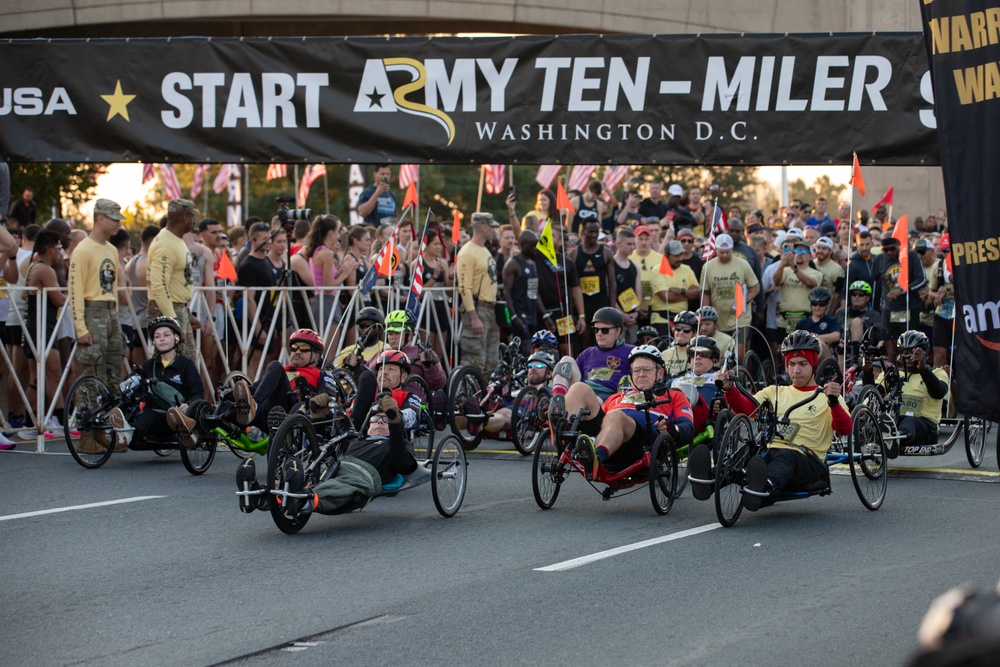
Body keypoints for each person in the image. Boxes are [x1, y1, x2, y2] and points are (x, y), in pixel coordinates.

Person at [689, 330, 851, 510]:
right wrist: (730, 390)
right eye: (792, 364)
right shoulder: (774, 392)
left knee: (786, 455)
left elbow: (845, 429)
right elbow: (747, 409)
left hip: (808, 461)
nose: (796, 370)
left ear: (814, 365)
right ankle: (711, 481)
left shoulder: (825, 396)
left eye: (803, 364)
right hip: (770, 453)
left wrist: (834, 403)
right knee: (749, 451)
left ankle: (764, 487)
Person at [235, 373, 420, 515]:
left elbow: (403, 463)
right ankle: (257, 495)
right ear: (368, 426)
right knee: (312, 473)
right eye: (376, 420)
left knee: (343, 486)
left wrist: (395, 424)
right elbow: (338, 428)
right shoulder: (356, 438)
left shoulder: (398, 443)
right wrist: (319, 412)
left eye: (384, 421)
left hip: (365, 475)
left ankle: (304, 500)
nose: (380, 422)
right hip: (337, 464)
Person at [168, 328, 340, 447]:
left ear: (316, 355)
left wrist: (312, 401)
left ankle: (252, 406)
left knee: (274, 366)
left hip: (291, 410)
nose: (297, 352)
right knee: (228, 406)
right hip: (263, 413)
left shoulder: (320, 373)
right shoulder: (283, 370)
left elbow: (329, 396)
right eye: (294, 347)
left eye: (304, 348)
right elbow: (256, 388)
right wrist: (228, 394)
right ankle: (195, 429)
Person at [557, 345, 694, 481]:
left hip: (642, 442)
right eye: (636, 370)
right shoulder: (616, 397)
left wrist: (673, 429)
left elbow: (688, 427)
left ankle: (595, 459)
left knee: (615, 416)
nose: (641, 374)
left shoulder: (674, 395)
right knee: (579, 388)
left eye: (647, 369)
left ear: (660, 373)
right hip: (609, 438)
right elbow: (603, 424)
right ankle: (562, 434)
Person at [107, 317, 202, 452]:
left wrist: (189, 404)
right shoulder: (148, 365)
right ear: (154, 342)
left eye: (166, 335)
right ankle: (120, 429)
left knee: (149, 414)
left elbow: (198, 392)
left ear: (176, 339)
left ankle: (128, 433)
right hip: (152, 421)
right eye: (157, 337)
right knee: (136, 405)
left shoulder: (186, 364)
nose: (161, 339)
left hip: (176, 419)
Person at [861, 330, 949, 459]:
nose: (908, 356)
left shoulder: (938, 373)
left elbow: (938, 393)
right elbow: (873, 395)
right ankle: (861, 439)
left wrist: (923, 370)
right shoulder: (892, 374)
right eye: (905, 352)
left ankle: (893, 438)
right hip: (894, 420)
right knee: (882, 419)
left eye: (913, 352)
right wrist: (867, 372)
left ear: (924, 353)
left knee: (909, 421)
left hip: (924, 425)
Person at [68, 198, 126, 387]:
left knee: (115, 370)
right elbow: (75, 290)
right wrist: (81, 328)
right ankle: (89, 415)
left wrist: (115, 315)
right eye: (114, 219)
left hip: (110, 314)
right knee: (94, 372)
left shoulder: (111, 250)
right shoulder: (83, 250)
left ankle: (112, 415)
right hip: (93, 313)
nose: (119, 224)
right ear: (100, 219)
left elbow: (114, 287)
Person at [20, 230, 66, 440]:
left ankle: (31, 422)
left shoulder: (33, 266)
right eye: (58, 248)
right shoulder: (46, 270)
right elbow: (58, 300)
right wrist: (74, 294)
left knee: (37, 378)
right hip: (42, 328)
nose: (61, 253)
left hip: (34, 326)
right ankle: (56, 419)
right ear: (50, 249)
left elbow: (23, 293)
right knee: (53, 373)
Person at [547, 307, 634, 407]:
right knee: (566, 360)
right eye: (596, 330)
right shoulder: (587, 353)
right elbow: (571, 376)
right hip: (582, 389)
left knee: (590, 399)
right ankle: (557, 402)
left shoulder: (631, 351)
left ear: (618, 331)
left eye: (605, 330)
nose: (599, 334)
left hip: (609, 396)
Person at [147, 199, 199, 360]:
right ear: (185, 218)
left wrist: (186, 314)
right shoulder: (165, 244)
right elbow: (159, 285)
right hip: (169, 311)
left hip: (178, 310)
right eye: (193, 217)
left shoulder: (175, 240)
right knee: (172, 367)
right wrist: (172, 320)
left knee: (187, 363)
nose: (194, 221)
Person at [456, 212, 500, 373]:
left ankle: (486, 396)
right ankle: (466, 397)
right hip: (477, 309)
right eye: (491, 227)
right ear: (483, 228)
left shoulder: (483, 250)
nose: (493, 230)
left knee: (491, 361)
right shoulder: (467, 252)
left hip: (489, 310)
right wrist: (473, 316)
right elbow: (464, 287)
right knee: (474, 360)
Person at [873, 232, 927, 362]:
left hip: (908, 307)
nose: (888, 253)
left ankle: (910, 376)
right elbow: (875, 280)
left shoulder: (911, 255)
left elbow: (922, 280)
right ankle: (892, 377)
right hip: (888, 309)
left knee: (909, 347)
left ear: (899, 245)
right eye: (885, 250)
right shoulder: (880, 259)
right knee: (890, 349)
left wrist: (902, 290)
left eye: (892, 249)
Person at [700, 233, 759, 340]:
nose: (725, 255)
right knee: (720, 351)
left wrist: (744, 301)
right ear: (715, 249)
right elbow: (705, 292)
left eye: (728, 252)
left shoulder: (743, 264)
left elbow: (755, 288)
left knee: (738, 354)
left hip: (740, 317)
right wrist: (707, 316)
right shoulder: (707, 266)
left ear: (732, 249)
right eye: (721, 252)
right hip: (718, 318)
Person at [502, 229, 553, 352]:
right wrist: (514, 317)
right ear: (523, 245)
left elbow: (534, 292)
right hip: (519, 314)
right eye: (532, 246)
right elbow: (506, 293)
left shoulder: (532, 264)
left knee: (532, 349)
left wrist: (545, 315)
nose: (535, 249)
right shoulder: (512, 264)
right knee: (524, 350)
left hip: (532, 314)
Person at [370, 310, 446, 391]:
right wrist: (357, 368)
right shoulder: (383, 353)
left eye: (397, 333)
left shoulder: (421, 353)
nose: (392, 337)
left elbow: (438, 384)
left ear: (409, 334)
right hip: (383, 399)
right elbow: (366, 378)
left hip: (413, 400)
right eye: (390, 333)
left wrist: (430, 366)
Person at [483, 350, 555, 435]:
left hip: (519, 417)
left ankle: (480, 421)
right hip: (498, 411)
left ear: (549, 373)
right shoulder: (516, 387)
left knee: (505, 413)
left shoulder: (551, 392)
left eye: (539, 365)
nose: (533, 368)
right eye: (530, 365)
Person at [571, 218, 617, 348]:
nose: (594, 235)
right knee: (585, 341)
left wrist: (612, 307)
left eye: (596, 231)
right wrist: (572, 311)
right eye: (590, 231)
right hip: (582, 306)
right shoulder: (574, 254)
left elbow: (612, 283)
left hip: (601, 304)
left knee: (602, 341)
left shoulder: (606, 252)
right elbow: (571, 286)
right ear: (583, 232)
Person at [670, 335, 722, 434]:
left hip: (705, 424)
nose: (697, 357)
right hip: (675, 420)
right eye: (693, 354)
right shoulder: (675, 381)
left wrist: (722, 406)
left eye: (703, 354)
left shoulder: (720, 379)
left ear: (714, 359)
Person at [774, 235, 822, 335]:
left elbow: (809, 282)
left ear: (810, 256)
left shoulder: (816, 273)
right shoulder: (786, 271)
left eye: (803, 251)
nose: (799, 254)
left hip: (805, 319)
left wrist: (794, 268)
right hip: (784, 320)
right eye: (796, 251)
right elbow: (776, 281)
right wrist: (781, 265)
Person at [611, 227, 642, 342]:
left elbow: (638, 292)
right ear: (618, 243)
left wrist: (636, 313)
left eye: (633, 244)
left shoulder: (635, 267)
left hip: (633, 318)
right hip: (616, 319)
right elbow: (610, 294)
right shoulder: (611, 265)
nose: (632, 247)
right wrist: (622, 314)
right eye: (628, 244)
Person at [335, 306, 387, 372]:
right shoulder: (346, 351)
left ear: (380, 329)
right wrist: (345, 366)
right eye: (362, 326)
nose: (365, 329)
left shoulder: (387, 350)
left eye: (369, 326)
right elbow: (335, 377)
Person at [662, 310, 700, 377]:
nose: (681, 332)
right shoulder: (664, 354)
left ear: (694, 334)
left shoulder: (698, 354)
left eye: (686, 330)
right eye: (678, 328)